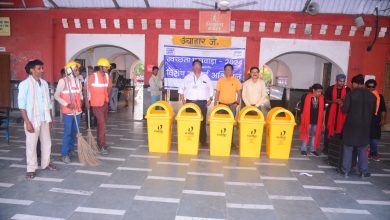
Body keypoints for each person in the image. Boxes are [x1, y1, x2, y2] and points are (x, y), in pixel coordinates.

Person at [18, 59, 56, 180]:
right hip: (32, 120)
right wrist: (27, 122)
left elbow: (48, 103)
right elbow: (22, 106)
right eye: (39, 68)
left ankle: (46, 163)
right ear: (31, 70)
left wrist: (50, 118)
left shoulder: (44, 83)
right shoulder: (24, 84)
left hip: (44, 119)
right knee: (31, 145)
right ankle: (31, 168)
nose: (42, 70)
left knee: (47, 142)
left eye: (42, 68)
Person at [342, 74, 376, 178]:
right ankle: (363, 171)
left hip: (351, 126)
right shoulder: (372, 96)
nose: (352, 86)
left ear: (356, 83)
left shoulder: (351, 94)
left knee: (348, 148)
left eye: (352, 84)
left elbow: (345, 110)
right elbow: (373, 112)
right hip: (365, 127)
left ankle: (346, 170)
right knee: (362, 149)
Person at [179, 59, 214, 145]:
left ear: (201, 67)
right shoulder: (188, 77)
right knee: (190, 122)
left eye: (199, 65)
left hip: (202, 103)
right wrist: (183, 99)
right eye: (195, 65)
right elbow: (181, 88)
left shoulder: (205, 77)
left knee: (202, 122)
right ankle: (190, 139)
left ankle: (203, 141)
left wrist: (210, 99)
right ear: (192, 67)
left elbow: (211, 88)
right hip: (190, 103)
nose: (197, 67)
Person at [54, 61, 83, 163]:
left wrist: (82, 100)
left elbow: (79, 94)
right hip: (68, 112)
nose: (78, 71)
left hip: (77, 111)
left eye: (78, 69)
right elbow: (56, 96)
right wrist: (66, 104)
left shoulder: (78, 81)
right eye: (76, 69)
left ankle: (71, 150)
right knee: (68, 132)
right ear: (70, 70)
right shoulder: (63, 81)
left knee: (75, 132)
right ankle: (64, 154)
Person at [86, 58, 112, 155]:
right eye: (106, 67)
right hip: (96, 104)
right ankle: (101, 145)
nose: (107, 69)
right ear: (101, 67)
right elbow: (86, 89)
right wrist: (87, 101)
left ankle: (100, 143)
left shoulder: (107, 76)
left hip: (104, 103)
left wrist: (106, 96)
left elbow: (109, 87)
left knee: (102, 124)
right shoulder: (93, 76)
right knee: (102, 124)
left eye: (108, 67)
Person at [323, 74, 351, 154]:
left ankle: (338, 147)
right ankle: (326, 148)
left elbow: (349, 101)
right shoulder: (330, 89)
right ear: (336, 81)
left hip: (342, 112)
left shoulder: (348, 90)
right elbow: (326, 100)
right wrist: (334, 101)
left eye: (343, 81)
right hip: (331, 112)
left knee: (341, 129)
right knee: (329, 129)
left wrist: (342, 101)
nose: (342, 83)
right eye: (340, 81)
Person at [299, 84, 324, 156]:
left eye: (320, 92)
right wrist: (302, 119)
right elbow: (302, 109)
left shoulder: (322, 98)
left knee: (314, 135)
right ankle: (303, 149)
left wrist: (323, 122)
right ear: (313, 90)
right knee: (306, 133)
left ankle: (313, 150)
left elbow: (323, 110)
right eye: (318, 92)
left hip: (317, 120)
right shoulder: (305, 96)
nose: (319, 93)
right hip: (307, 119)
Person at [366, 79, 387, 161]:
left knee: (374, 140)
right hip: (365, 119)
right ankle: (365, 153)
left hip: (375, 120)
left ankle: (373, 153)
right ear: (366, 86)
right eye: (369, 86)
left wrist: (383, 119)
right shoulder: (364, 95)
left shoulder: (379, 96)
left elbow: (383, 109)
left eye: (373, 86)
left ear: (375, 86)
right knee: (365, 138)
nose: (371, 88)